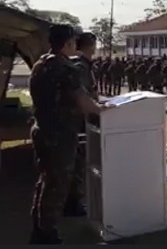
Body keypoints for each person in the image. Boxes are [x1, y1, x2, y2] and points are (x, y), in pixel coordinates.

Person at [29, 24, 110, 244]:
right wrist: (101, 109)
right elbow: (83, 102)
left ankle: (39, 227)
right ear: (67, 44)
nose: (76, 45)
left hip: (41, 129)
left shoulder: (41, 64)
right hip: (60, 134)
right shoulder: (66, 68)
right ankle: (47, 233)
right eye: (73, 41)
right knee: (57, 184)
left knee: (46, 180)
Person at [64, 32, 99, 217]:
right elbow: (81, 96)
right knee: (76, 163)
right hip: (77, 122)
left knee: (78, 162)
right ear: (90, 46)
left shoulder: (83, 65)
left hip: (81, 120)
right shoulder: (80, 66)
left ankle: (73, 201)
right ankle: (73, 203)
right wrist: (97, 108)